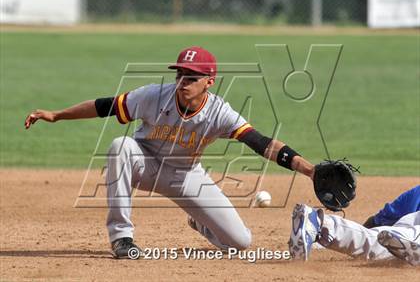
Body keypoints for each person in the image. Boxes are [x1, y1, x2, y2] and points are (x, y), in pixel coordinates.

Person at [25, 46, 315, 258]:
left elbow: (261, 142)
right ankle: (121, 238)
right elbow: (105, 106)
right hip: (145, 164)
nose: (183, 82)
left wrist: (309, 169)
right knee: (120, 146)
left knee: (241, 243)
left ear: (209, 82)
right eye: (181, 75)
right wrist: (56, 115)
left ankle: (199, 221)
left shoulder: (219, 113)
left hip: (185, 176)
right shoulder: (154, 95)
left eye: (192, 77)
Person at [289, 185, 420, 265]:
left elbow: (378, 221)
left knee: (377, 244)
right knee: (386, 246)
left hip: (409, 226)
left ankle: (320, 224)